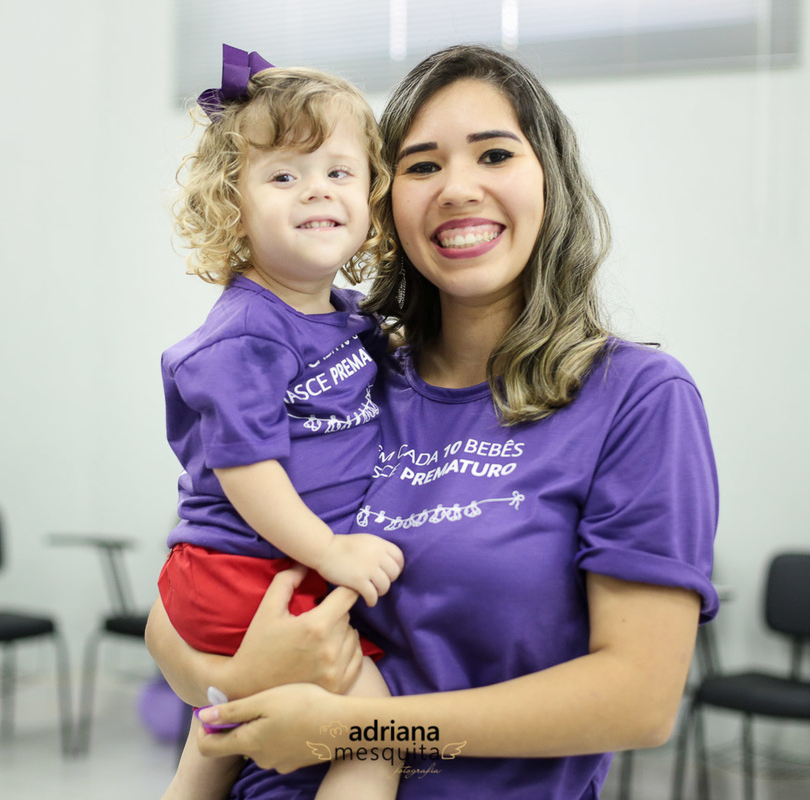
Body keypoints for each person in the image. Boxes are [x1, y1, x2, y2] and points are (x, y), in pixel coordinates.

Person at [147, 44, 720, 799]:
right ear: (387, 201)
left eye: (493, 154)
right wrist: (234, 682)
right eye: (421, 165)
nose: (458, 188)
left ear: (550, 178)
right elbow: (178, 600)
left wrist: (360, 731)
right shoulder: (347, 368)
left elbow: (639, 702)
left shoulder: (636, 397)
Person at [158, 45, 404, 800]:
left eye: (338, 172)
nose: (315, 192)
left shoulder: (342, 317)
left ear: (370, 200)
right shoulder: (245, 335)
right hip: (242, 569)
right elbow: (246, 469)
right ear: (233, 205)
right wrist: (328, 549)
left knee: (225, 731)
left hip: (264, 566)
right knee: (376, 732)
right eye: (284, 176)